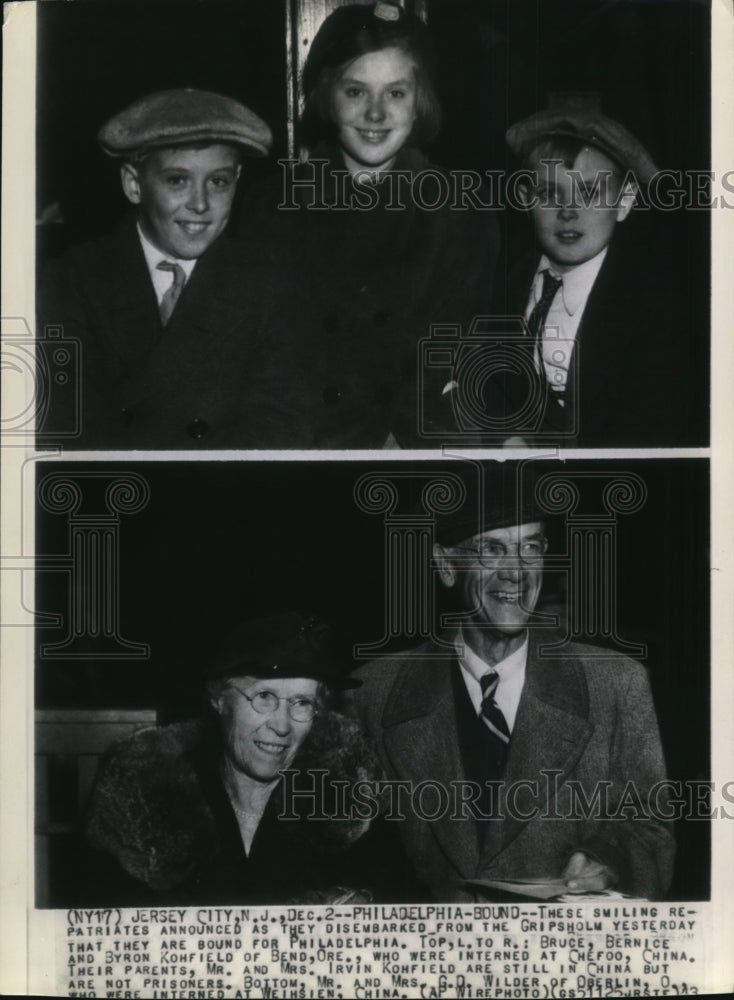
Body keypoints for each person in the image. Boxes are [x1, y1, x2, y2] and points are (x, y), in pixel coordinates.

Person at [347, 464, 675, 901]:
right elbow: (345, 844)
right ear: (446, 564)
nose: (516, 572)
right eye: (492, 549)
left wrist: (608, 861)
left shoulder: (616, 684)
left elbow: (652, 828)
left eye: (531, 547)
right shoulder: (372, 691)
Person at [237, 1, 499, 448]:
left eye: (395, 93)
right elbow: (259, 361)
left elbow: (454, 359)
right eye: (356, 92)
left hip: (410, 453)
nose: (376, 114)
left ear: (420, 102)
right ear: (326, 96)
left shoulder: (459, 215)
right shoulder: (271, 209)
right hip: (296, 449)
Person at [84, 613, 419, 905]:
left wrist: (363, 904)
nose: (282, 725)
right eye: (264, 697)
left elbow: (403, 898)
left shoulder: (346, 802)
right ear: (219, 700)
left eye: (301, 703)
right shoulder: (146, 804)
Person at [38, 88, 288, 449]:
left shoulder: (269, 281)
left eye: (218, 182)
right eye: (177, 180)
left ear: (237, 179)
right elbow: (63, 430)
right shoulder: (75, 281)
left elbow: (279, 425)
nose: (200, 204)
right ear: (134, 184)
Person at [491, 94, 691, 447]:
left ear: (624, 201)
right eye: (549, 193)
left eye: (589, 193)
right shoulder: (503, 280)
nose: (568, 211)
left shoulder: (651, 308)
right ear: (525, 198)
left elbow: (648, 436)